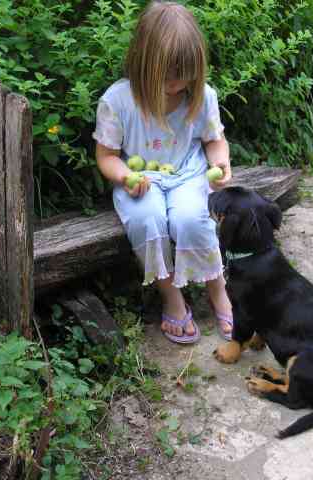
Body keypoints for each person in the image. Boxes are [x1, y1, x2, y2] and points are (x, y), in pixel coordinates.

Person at [93, 1, 233, 344]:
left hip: (187, 172)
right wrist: (126, 177)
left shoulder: (201, 96)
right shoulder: (118, 100)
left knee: (191, 218)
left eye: (186, 78)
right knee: (147, 220)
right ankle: (171, 296)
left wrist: (220, 163)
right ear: (144, 63)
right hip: (142, 180)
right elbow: (107, 157)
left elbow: (215, 141)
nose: (177, 85)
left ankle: (219, 291)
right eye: (169, 77)